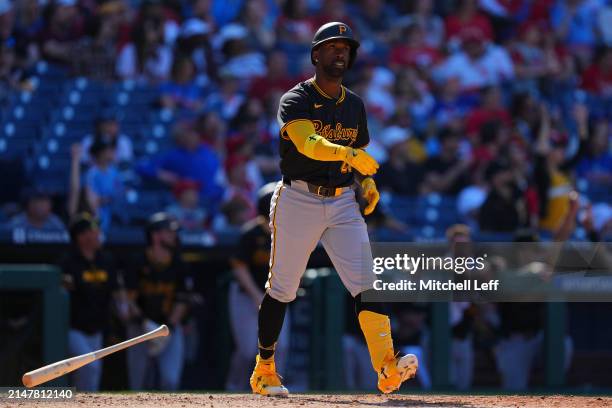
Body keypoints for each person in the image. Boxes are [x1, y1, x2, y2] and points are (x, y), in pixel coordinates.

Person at [249, 22, 418, 397]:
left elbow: (355, 165)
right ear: (315, 55)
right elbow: (308, 143)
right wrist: (349, 154)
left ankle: (386, 368)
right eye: (331, 46)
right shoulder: (295, 99)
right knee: (282, 288)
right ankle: (265, 368)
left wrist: (367, 183)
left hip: (342, 201)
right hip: (299, 198)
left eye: (345, 47)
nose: (339, 52)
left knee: (366, 285)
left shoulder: (354, 105)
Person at [226, 183, 290, 391]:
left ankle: (272, 385)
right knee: (246, 350)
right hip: (246, 295)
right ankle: (234, 388)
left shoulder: (289, 233)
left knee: (281, 347)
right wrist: (256, 296)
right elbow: (239, 267)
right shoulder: (250, 234)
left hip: (276, 296)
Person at [124, 213, 193, 391]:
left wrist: (169, 327)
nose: (173, 236)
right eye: (168, 232)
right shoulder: (137, 261)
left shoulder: (178, 263)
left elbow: (182, 299)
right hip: (139, 328)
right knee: (138, 383)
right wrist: (144, 323)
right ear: (155, 235)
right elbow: (127, 298)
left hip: (169, 328)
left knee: (170, 381)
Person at [58, 213, 122, 391]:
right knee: (89, 368)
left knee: (93, 376)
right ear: (82, 236)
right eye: (94, 231)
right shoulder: (68, 262)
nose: (98, 235)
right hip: (73, 328)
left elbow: (115, 292)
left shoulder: (106, 260)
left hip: (97, 328)